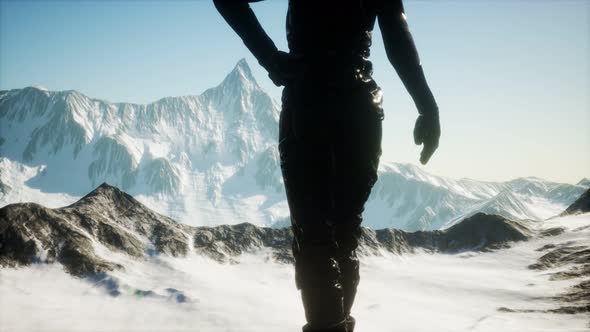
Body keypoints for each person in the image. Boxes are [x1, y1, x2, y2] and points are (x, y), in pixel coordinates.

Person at [213, 0, 440, 331]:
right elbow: (396, 33)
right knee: (344, 236)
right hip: (362, 106)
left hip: (308, 100)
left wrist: (271, 59)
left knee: (315, 238)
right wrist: (427, 106)